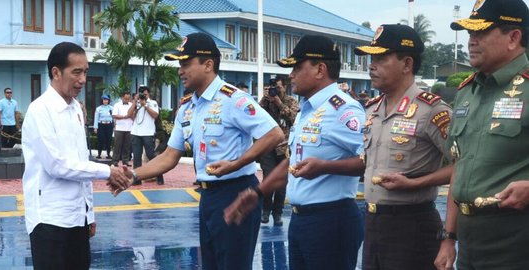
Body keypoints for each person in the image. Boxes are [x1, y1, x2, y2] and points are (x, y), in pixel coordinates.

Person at [123, 32, 283, 270]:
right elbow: (170, 155)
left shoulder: (234, 100)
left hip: (236, 193)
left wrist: (237, 163)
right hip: (207, 197)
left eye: (186, 64)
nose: (180, 70)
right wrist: (134, 175)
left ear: (208, 64)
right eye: (179, 64)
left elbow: (274, 134)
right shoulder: (188, 106)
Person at [224, 35, 366, 269]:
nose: (291, 75)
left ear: (320, 69)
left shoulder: (343, 110)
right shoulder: (306, 110)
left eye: (297, 68)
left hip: (331, 221)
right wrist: (258, 192)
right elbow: (293, 162)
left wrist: (325, 167)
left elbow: (369, 160)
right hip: (301, 220)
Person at [436, 1, 529, 269]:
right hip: (470, 242)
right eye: (469, 34)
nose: (471, 42)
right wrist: (448, 237)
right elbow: (459, 168)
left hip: (518, 240)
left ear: (513, 37)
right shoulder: (467, 93)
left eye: (481, 33)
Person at [20, 42, 130, 270]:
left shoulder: (76, 109)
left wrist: (89, 214)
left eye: (86, 72)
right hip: (50, 221)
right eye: (76, 72)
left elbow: (81, 160)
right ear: (56, 72)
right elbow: (57, 166)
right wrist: (107, 171)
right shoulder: (40, 110)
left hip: (77, 220)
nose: (82, 79)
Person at [353, 24, 453, 270]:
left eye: (381, 58)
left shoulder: (432, 110)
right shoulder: (373, 109)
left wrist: (416, 183)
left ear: (407, 64)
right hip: (374, 222)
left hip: (412, 225)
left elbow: (466, 164)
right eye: (371, 58)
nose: (371, 65)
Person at [258, 75, 299, 226]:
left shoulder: (291, 101)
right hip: (268, 146)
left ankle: (277, 213)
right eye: (273, 89)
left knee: (281, 183)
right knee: (268, 179)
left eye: (279, 88)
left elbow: (294, 118)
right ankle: (265, 210)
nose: (276, 91)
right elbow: (255, 115)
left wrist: (279, 103)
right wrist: (265, 99)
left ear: (285, 88)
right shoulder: (266, 102)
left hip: (284, 147)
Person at [127, 86, 164, 185]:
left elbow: (155, 115)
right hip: (136, 133)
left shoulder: (153, 103)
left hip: (148, 133)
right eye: (142, 95)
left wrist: (145, 105)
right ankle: (137, 179)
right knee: (137, 157)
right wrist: (135, 102)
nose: (144, 96)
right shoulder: (137, 103)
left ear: (148, 94)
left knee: (151, 155)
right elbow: (129, 114)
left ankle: (159, 175)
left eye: (145, 94)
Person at [112, 91, 133, 166]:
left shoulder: (132, 105)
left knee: (127, 146)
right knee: (117, 145)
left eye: (128, 98)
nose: (127, 100)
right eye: (125, 98)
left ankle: (125, 161)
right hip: (119, 128)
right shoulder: (117, 105)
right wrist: (125, 116)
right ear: (122, 97)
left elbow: (134, 115)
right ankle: (115, 161)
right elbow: (114, 115)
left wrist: (130, 116)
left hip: (129, 128)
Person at [93, 94, 114, 159]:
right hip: (101, 125)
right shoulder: (99, 108)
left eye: (106, 100)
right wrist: (95, 127)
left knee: (109, 140)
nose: (105, 101)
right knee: (100, 140)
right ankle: (99, 154)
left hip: (109, 125)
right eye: (104, 100)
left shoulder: (111, 108)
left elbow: (114, 117)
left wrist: (114, 125)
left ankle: (108, 154)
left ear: (108, 100)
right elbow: (96, 118)